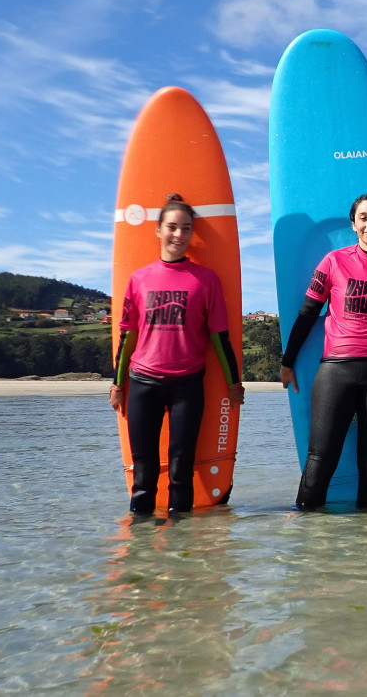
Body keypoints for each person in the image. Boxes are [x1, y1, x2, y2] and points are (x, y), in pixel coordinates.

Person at [279, 194, 367, 510]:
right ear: (354, 224)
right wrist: (288, 362)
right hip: (336, 370)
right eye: (364, 217)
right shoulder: (333, 262)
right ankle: (307, 526)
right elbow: (307, 315)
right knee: (321, 455)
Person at [109, 193, 245, 515]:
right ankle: (140, 548)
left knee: (182, 471)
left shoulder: (206, 280)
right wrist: (117, 385)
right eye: (172, 227)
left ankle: (180, 548)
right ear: (158, 230)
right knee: (144, 474)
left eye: (186, 228)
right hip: (143, 383)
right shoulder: (139, 279)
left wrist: (234, 383)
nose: (179, 235)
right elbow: (127, 336)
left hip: (187, 385)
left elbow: (219, 337)